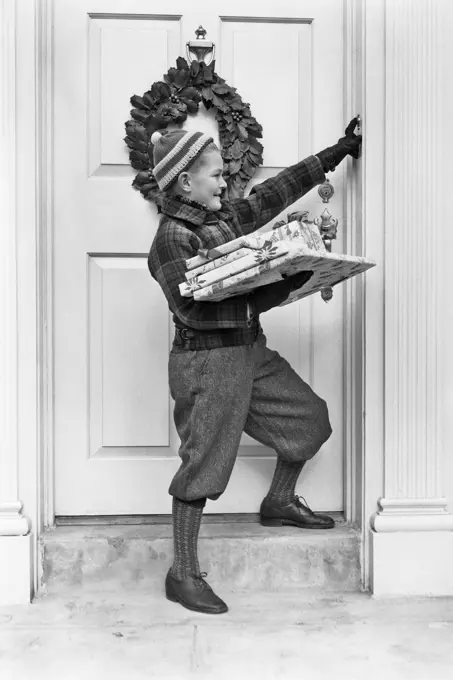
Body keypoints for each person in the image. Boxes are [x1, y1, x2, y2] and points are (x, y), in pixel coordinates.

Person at [148, 119, 362, 615]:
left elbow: (271, 196)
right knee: (203, 462)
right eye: (217, 176)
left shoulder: (220, 218)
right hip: (206, 361)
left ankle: (279, 502)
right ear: (185, 181)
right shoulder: (171, 239)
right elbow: (194, 312)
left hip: (249, 351)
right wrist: (278, 289)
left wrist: (336, 152)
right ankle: (182, 573)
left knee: (310, 420)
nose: (226, 183)